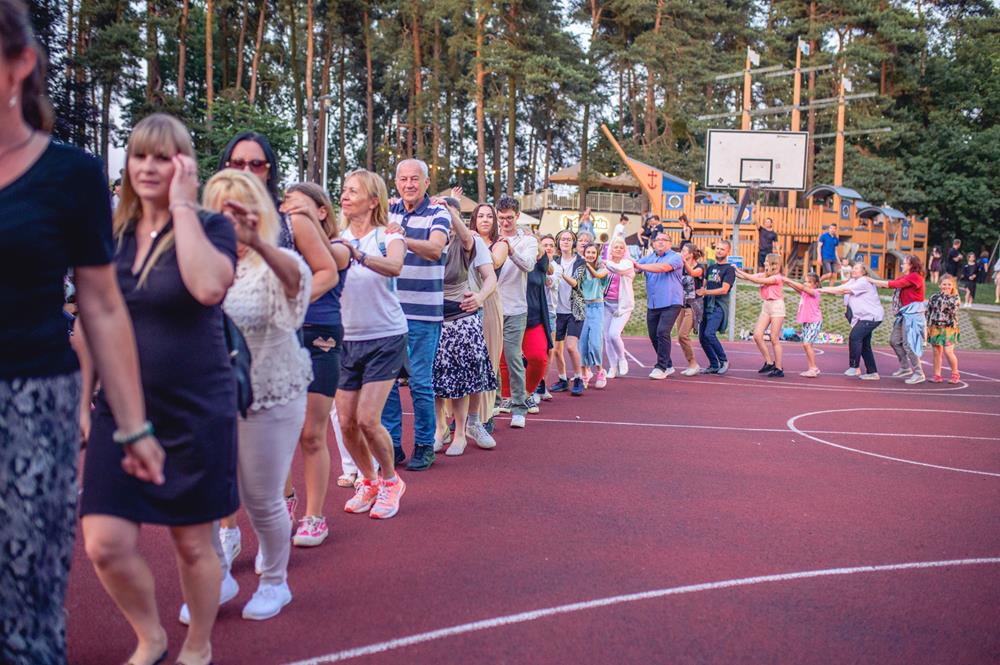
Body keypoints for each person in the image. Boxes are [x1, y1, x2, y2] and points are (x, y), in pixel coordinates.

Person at [0, 7, 163, 660]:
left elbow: (100, 306)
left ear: (20, 65)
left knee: (24, 599)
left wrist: (132, 425)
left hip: (32, 402)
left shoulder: (69, 173)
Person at [78, 113, 235, 665]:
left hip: (195, 408)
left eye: (163, 157)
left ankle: (198, 644)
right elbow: (89, 323)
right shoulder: (110, 234)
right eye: (140, 155)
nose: (148, 167)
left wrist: (184, 207)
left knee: (192, 543)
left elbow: (208, 286)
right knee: (104, 541)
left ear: (183, 165)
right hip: (119, 411)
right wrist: (81, 400)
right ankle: (150, 635)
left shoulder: (212, 228)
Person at [216, 131, 337, 557]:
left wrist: (292, 303)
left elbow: (326, 271)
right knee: (223, 447)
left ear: (269, 170)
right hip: (223, 348)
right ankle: (227, 534)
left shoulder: (291, 218)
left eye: (257, 164)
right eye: (238, 162)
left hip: (284, 345)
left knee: (302, 438)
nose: (246, 171)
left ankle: (302, 518)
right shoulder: (208, 220)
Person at [205, 169, 313, 621]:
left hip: (271, 390)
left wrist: (259, 242)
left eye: (239, 209)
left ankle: (275, 581)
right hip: (210, 393)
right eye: (220, 209)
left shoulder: (275, 260)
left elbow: (296, 285)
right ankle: (215, 577)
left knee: (261, 497)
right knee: (205, 494)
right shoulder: (200, 259)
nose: (229, 219)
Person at [277, 183, 352, 546]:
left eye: (300, 207)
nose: (289, 213)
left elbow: (332, 264)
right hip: (280, 335)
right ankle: (286, 502)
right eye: (287, 206)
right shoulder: (279, 243)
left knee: (312, 432)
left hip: (321, 336)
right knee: (279, 432)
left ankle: (315, 516)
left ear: (322, 211)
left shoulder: (337, 247)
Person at [336, 168, 408, 519]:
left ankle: (391, 481)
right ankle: (369, 480)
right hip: (345, 340)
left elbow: (395, 267)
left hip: (386, 336)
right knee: (346, 422)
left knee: (367, 418)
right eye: (344, 190)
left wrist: (358, 255)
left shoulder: (388, 235)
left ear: (373, 200)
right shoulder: (334, 237)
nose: (345, 195)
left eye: (353, 191)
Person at [382, 159, 451, 471]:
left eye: (415, 179)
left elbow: (436, 249)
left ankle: (424, 444)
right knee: (387, 383)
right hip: (389, 313)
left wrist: (398, 238)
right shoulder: (389, 210)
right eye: (403, 179)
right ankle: (392, 444)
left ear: (426, 182)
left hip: (424, 314)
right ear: (396, 182)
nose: (408, 184)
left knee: (421, 382)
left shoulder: (439, 212)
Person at [432, 198, 498, 456]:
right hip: (432, 317)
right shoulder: (429, 240)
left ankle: (468, 427)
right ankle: (440, 429)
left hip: (463, 313)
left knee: (467, 376)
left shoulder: (470, 241)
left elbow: (490, 276)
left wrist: (480, 297)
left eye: (450, 216)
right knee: (435, 378)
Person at [494, 195, 538, 428]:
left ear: (517, 216)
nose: (505, 222)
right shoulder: (489, 236)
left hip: (515, 307)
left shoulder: (528, 241)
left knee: (512, 357)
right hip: (490, 306)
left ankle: (519, 407)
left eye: (509, 218)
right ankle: (490, 404)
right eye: (501, 218)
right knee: (488, 359)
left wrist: (510, 250)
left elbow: (529, 265)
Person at [468, 202, 507, 433]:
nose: (484, 220)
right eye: (480, 216)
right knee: (467, 360)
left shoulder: (501, 243)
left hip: (490, 300)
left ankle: (485, 414)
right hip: (466, 300)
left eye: (489, 216)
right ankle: (465, 414)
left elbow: (495, 262)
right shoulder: (465, 240)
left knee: (489, 360)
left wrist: (474, 240)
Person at [867, 254, 926, 384]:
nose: (901, 265)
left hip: (913, 314)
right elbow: (890, 284)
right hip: (904, 313)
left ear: (911, 265)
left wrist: (872, 280)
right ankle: (905, 367)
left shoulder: (915, 277)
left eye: (904, 263)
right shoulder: (906, 277)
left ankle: (919, 373)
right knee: (894, 340)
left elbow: (893, 284)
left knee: (909, 344)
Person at [820, 262, 884, 380]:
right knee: (865, 345)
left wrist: (821, 290)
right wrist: (821, 288)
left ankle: (854, 367)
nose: (853, 270)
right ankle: (872, 372)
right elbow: (840, 288)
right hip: (863, 317)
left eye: (856, 268)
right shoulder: (853, 281)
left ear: (863, 272)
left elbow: (843, 291)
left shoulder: (864, 281)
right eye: (853, 268)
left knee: (855, 337)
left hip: (871, 316)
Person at [635, 232, 684, 379]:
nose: (661, 242)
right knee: (653, 335)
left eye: (664, 240)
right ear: (653, 244)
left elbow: (662, 268)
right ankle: (668, 365)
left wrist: (641, 266)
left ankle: (661, 366)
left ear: (670, 243)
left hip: (672, 302)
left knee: (663, 331)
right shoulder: (649, 258)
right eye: (658, 240)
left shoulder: (675, 257)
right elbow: (634, 266)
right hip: (654, 303)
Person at [735, 253, 786, 377]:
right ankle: (769, 362)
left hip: (777, 306)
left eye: (767, 261)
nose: (764, 263)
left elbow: (756, 280)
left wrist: (738, 270)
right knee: (757, 335)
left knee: (774, 338)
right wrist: (732, 269)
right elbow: (747, 277)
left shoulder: (777, 277)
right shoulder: (764, 274)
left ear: (773, 263)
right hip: (766, 306)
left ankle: (779, 368)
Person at [551, 229, 585, 395]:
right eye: (562, 239)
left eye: (568, 239)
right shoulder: (554, 260)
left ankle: (579, 378)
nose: (565, 242)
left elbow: (576, 283)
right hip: (557, 311)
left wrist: (560, 273)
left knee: (571, 347)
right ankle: (563, 379)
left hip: (574, 311)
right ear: (558, 243)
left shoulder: (579, 262)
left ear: (573, 243)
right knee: (556, 349)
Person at [573, 243, 610, 388]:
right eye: (588, 252)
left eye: (593, 253)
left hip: (596, 307)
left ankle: (600, 370)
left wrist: (586, 264)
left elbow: (597, 275)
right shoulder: (579, 268)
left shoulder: (603, 268)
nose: (590, 255)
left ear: (597, 254)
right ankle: (584, 373)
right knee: (582, 342)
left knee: (595, 342)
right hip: (583, 306)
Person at [697, 239, 735, 375]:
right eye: (717, 248)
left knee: (709, 334)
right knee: (702, 337)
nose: (719, 251)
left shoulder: (730, 270)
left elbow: (724, 289)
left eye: (722, 249)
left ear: (728, 251)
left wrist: (705, 292)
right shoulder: (711, 268)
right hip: (706, 305)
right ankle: (714, 364)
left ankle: (724, 360)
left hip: (718, 306)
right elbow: (704, 285)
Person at [603, 237, 636, 379]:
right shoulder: (605, 265)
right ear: (611, 249)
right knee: (607, 338)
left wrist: (604, 262)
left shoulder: (627, 263)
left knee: (614, 334)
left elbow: (619, 270)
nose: (618, 249)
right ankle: (612, 367)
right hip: (606, 304)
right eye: (615, 247)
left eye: (621, 247)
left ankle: (622, 359)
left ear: (624, 250)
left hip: (622, 306)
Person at [675, 244, 706, 376]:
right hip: (682, 304)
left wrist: (683, 262)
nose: (681, 253)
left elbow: (693, 273)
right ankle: (691, 363)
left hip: (693, 305)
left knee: (683, 335)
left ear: (691, 254)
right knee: (680, 337)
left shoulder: (699, 267)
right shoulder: (681, 267)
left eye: (684, 251)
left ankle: (694, 364)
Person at [785, 273, 823, 377]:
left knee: (806, 344)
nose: (806, 283)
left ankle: (813, 368)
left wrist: (788, 279)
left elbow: (801, 287)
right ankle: (812, 368)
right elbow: (797, 288)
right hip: (807, 322)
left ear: (815, 284)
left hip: (814, 322)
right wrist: (787, 281)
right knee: (808, 345)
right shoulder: (805, 293)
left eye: (809, 282)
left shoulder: (815, 292)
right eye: (805, 281)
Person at [537, 234, 560, 400]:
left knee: (549, 350)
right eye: (545, 245)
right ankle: (533, 385)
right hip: (534, 311)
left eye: (551, 245)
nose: (548, 247)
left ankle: (542, 383)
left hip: (550, 313)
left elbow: (549, 282)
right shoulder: (533, 264)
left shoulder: (557, 268)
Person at [926, 275, 961, 383]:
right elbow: (929, 312)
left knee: (948, 351)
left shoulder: (955, 298)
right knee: (937, 352)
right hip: (935, 327)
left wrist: (946, 297)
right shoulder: (934, 297)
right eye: (944, 284)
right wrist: (927, 326)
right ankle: (937, 375)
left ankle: (955, 374)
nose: (946, 286)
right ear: (940, 285)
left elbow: (952, 311)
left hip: (949, 328)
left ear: (953, 286)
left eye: (949, 284)